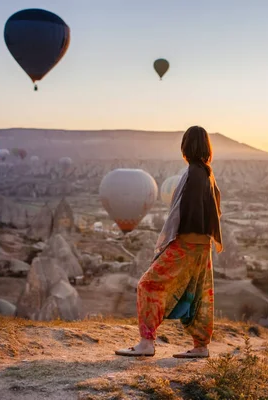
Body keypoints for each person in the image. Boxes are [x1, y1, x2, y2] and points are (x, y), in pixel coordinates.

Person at [115, 126, 223, 358]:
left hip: (186, 243)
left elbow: (186, 213)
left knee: (148, 284)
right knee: (199, 294)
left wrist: (170, 243)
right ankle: (201, 346)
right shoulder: (206, 172)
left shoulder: (194, 173)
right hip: (202, 246)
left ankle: (146, 342)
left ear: (186, 146)